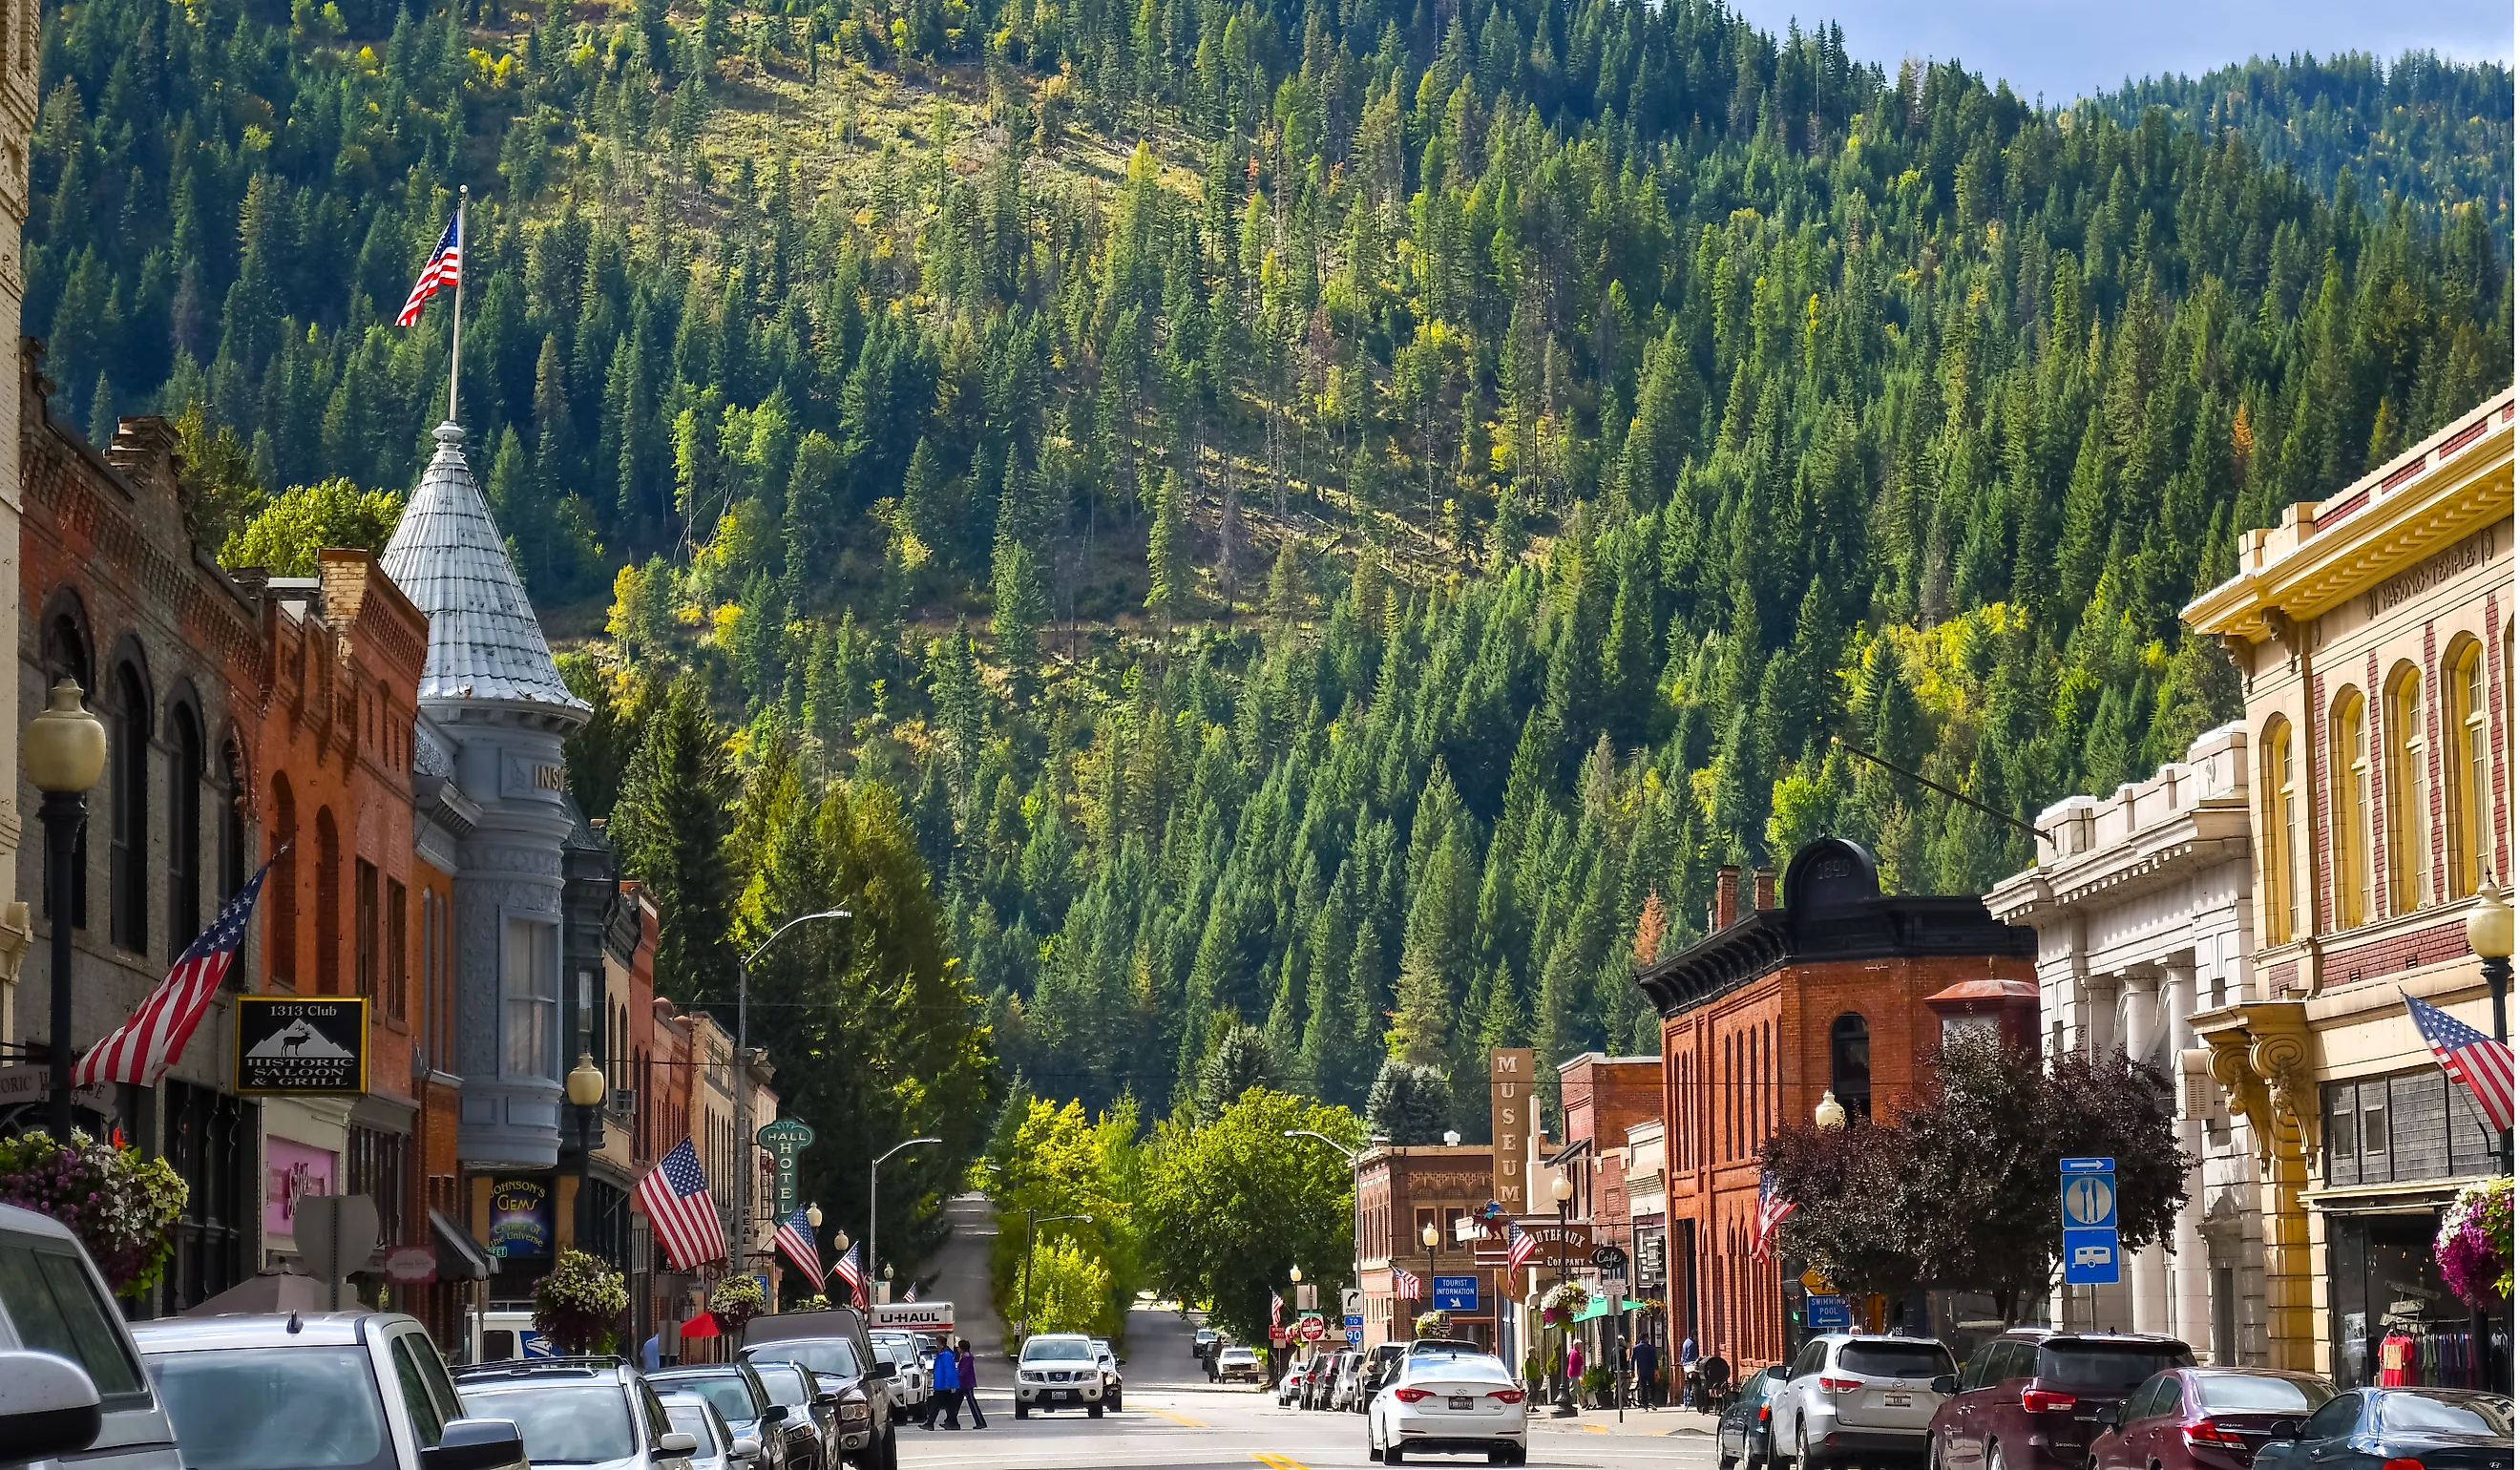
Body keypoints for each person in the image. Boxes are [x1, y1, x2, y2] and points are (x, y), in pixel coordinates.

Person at [926, 1337, 964, 1428]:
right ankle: (953, 1423)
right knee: (949, 1405)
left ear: (942, 1344)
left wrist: (948, 1383)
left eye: (937, 1344)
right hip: (942, 1384)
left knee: (935, 1405)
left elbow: (949, 1370)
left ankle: (930, 1424)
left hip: (943, 1385)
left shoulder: (945, 1355)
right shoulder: (942, 1354)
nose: (936, 1346)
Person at [956, 1338, 987, 1429]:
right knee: (956, 1403)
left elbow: (964, 1370)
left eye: (959, 1347)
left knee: (972, 1403)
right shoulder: (964, 1356)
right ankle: (951, 1420)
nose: (958, 1349)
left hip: (967, 1383)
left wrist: (958, 1375)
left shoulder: (967, 1357)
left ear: (962, 1348)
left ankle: (980, 1422)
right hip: (963, 1383)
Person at [1631, 1336, 1661, 1410]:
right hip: (1650, 1370)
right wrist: (1656, 1369)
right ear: (1646, 1339)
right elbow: (1655, 1360)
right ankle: (1651, 1400)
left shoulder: (1636, 1348)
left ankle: (1645, 1404)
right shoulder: (1651, 1348)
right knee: (1652, 1386)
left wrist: (1631, 1369)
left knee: (1643, 1387)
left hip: (1641, 1370)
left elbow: (1632, 1359)